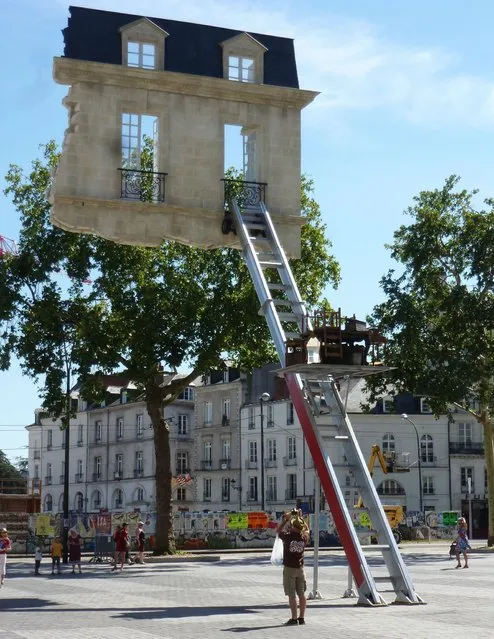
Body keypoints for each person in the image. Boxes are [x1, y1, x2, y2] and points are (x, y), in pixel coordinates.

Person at [276, 509, 310, 626]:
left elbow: (278, 531)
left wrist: (286, 519)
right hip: (300, 568)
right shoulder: (303, 538)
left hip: (289, 569)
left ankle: (294, 618)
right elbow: (307, 529)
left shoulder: (288, 537)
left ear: (293, 527)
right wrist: (300, 518)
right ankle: (302, 618)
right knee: (301, 593)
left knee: (292, 595)